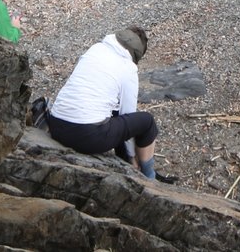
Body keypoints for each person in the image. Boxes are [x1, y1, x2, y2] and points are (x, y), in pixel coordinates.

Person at [46, 26, 159, 179]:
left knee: (113, 113)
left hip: (56, 124)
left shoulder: (96, 49)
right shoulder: (128, 68)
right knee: (147, 122)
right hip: (87, 136)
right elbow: (128, 113)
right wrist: (132, 156)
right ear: (136, 54)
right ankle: (149, 176)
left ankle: (127, 161)